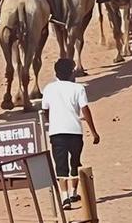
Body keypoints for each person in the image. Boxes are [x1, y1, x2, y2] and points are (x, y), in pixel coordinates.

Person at [41, 58, 100, 210]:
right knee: (75, 162)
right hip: (74, 130)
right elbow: (85, 110)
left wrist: (51, 123)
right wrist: (93, 131)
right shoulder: (78, 89)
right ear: (70, 73)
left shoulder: (49, 88)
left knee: (60, 165)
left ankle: (64, 196)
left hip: (57, 132)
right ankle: (73, 192)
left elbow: (45, 110)